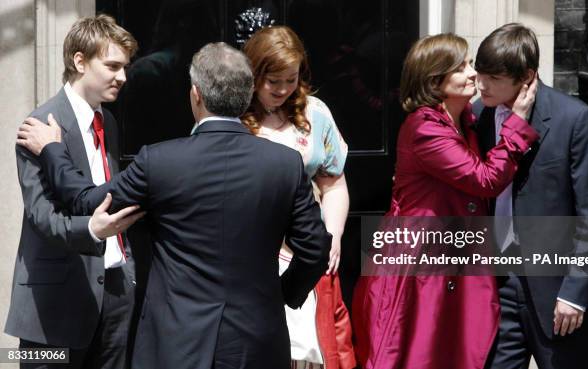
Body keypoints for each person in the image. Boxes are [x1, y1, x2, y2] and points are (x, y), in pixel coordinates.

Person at [17, 42, 331, 369]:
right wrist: (283, 293)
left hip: (176, 343)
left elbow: (86, 201)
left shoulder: (160, 161)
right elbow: (315, 249)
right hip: (256, 339)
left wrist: (53, 150)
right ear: (248, 93)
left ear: (196, 95)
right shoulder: (284, 164)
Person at [351, 33, 539, 369]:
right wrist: (517, 125)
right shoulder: (425, 127)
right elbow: (485, 180)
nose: (473, 74)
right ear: (435, 80)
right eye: (462, 67)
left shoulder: (465, 117)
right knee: (419, 353)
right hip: (419, 264)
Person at [5, 15, 143, 369]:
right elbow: (43, 217)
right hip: (52, 308)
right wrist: (93, 230)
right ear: (79, 61)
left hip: (115, 294)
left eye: (125, 67)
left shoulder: (108, 121)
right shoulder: (38, 125)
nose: (123, 77)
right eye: (112, 66)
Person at [472, 23, 588, 369]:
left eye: (493, 78)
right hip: (499, 283)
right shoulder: (477, 116)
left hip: (558, 291)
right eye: (479, 74)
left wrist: (576, 294)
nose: (480, 85)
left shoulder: (575, 119)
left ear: (527, 76)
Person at [242, 26, 356, 369]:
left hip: (305, 249)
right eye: (272, 80)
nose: (281, 89)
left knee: (313, 349)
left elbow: (334, 183)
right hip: (251, 253)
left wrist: (332, 236)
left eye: (290, 80)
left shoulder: (314, 113)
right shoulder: (231, 113)